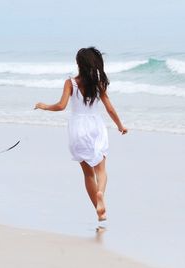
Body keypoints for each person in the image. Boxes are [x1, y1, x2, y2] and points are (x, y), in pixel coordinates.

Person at [35, 47, 128, 222]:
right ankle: (101, 192)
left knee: (87, 174)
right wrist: (120, 126)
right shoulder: (98, 83)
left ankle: (99, 210)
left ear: (79, 63)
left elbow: (61, 106)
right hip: (95, 127)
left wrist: (44, 106)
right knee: (101, 170)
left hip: (77, 128)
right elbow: (109, 108)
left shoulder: (70, 83)